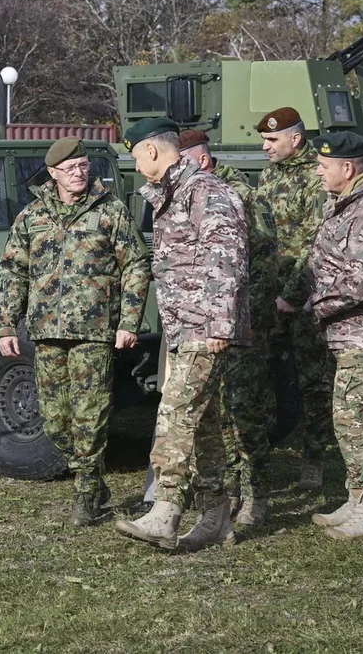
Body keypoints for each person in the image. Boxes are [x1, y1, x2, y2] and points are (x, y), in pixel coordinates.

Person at [0, 137, 151, 525]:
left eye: (83, 165)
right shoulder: (32, 216)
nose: (79, 173)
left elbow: (135, 265)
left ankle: (85, 490)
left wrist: (128, 322)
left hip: (94, 331)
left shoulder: (110, 211)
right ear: (52, 174)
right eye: (70, 168)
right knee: (54, 418)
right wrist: (5, 325)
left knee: (90, 412)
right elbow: (14, 272)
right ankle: (93, 476)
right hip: (47, 331)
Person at [114, 119, 250, 552]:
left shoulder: (206, 192)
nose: (136, 168)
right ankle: (216, 517)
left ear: (152, 151)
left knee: (175, 413)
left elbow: (226, 260)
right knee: (204, 422)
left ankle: (166, 510)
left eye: (136, 156)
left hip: (203, 328)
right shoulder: (174, 194)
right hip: (184, 327)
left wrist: (219, 325)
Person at [178, 129, 278, 525]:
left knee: (247, 410)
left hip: (241, 322)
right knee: (215, 411)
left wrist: (248, 318)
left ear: (201, 160)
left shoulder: (239, 194)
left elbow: (265, 259)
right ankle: (227, 489)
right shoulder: (184, 193)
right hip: (201, 323)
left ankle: (257, 493)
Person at [304, 131, 363, 541]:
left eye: (324, 167)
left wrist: (315, 307)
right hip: (346, 332)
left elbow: (360, 281)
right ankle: (357, 497)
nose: (318, 173)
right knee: (348, 419)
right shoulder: (344, 205)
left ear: (348, 168)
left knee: (357, 420)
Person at [256, 107, 330, 490]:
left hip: (302, 297)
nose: (265, 146)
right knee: (262, 377)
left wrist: (292, 293)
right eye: (265, 141)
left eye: (272, 140)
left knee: (313, 380)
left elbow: (315, 242)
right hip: (269, 296)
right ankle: (260, 456)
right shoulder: (270, 174)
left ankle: (314, 459)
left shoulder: (316, 176)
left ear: (295, 139)